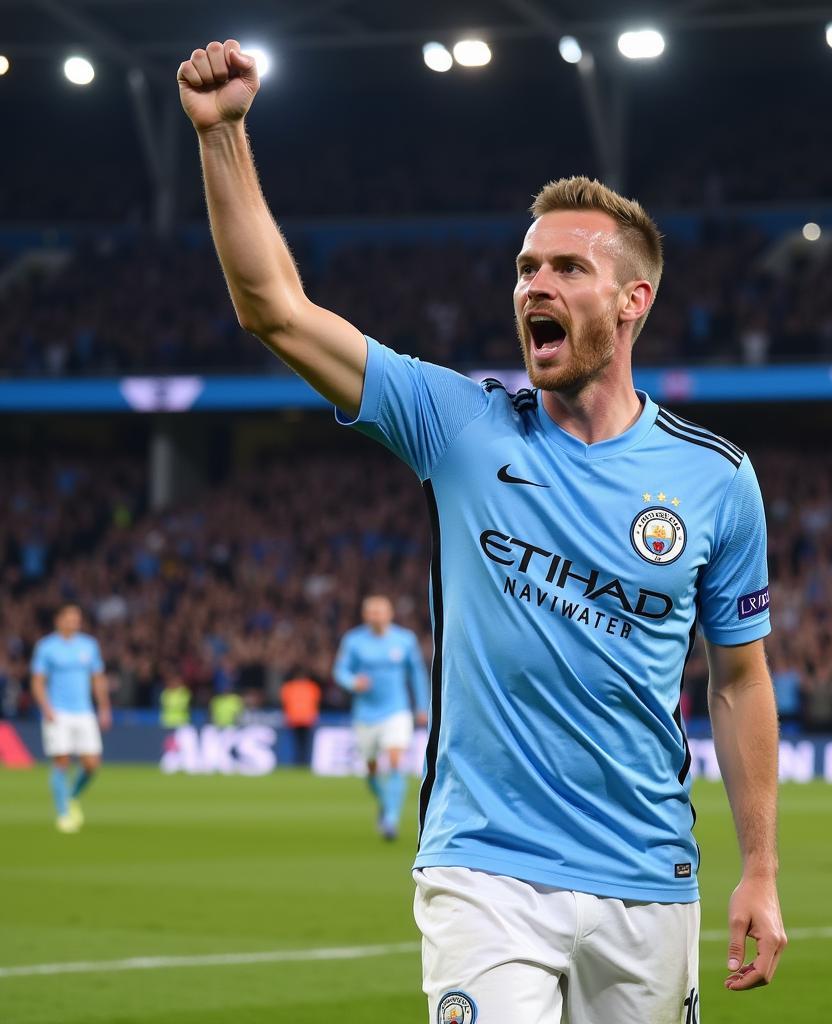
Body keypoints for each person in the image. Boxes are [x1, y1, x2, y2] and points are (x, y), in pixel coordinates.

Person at [179, 40, 786, 1020]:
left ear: (633, 302)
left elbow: (740, 676)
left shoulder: (714, 479)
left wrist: (758, 868)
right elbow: (275, 310)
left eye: (566, 268)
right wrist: (223, 136)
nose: (532, 286)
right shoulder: (458, 422)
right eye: (523, 267)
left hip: (649, 876)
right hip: (485, 868)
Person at [333, 596, 428, 838]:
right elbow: (340, 671)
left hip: (397, 710)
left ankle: (391, 819)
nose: (376, 616)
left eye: (380, 611)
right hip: (365, 714)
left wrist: (422, 706)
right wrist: (352, 682)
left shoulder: (405, 640)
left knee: (396, 760)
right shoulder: (354, 641)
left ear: (390, 613)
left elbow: (416, 674)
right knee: (371, 770)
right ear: (365, 615)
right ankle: (386, 802)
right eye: (372, 612)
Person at [29, 604, 111, 833]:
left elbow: (98, 678)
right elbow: (37, 681)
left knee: (92, 764)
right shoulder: (47, 647)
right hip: (58, 712)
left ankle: (71, 797)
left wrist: (104, 707)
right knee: (61, 761)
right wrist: (45, 706)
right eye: (69, 617)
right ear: (59, 619)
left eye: (77, 618)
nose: (74, 621)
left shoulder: (89, 645)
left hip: (84, 712)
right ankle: (63, 814)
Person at [279, 671, 321, 767]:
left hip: (295, 718)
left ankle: (299, 763)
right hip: (306, 719)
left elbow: (284, 702)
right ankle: (303, 763)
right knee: (304, 743)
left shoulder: (289, 687)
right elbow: (316, 702)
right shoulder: (312, 687)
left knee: (297, 743)